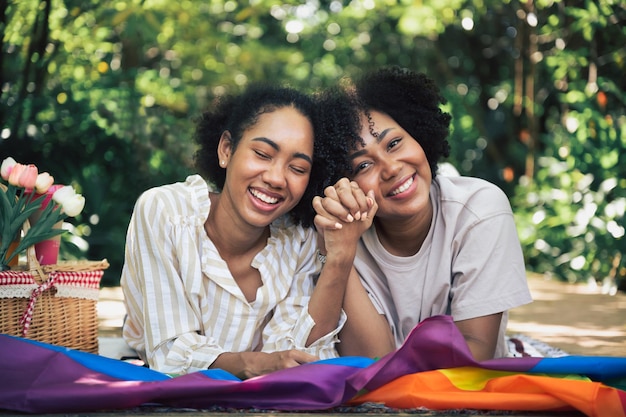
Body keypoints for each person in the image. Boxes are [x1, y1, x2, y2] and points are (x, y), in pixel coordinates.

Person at [121, 84, 352, 378]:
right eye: (263, 153)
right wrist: (253, 364)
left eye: (297, 168)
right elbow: (169, 352)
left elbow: (300, 358)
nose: (276, 178)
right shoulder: (166, 212)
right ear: (226, 149)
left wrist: (339, 257)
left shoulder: (299, 240)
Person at [313, 67, 533, 361]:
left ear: (418, 135)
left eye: (394, 144)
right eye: (362, 166)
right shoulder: (342, 236)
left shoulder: (479, 209)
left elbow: (475, 355)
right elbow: (373, 365)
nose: (391, 168)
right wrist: (341, 252)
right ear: (341, 183)